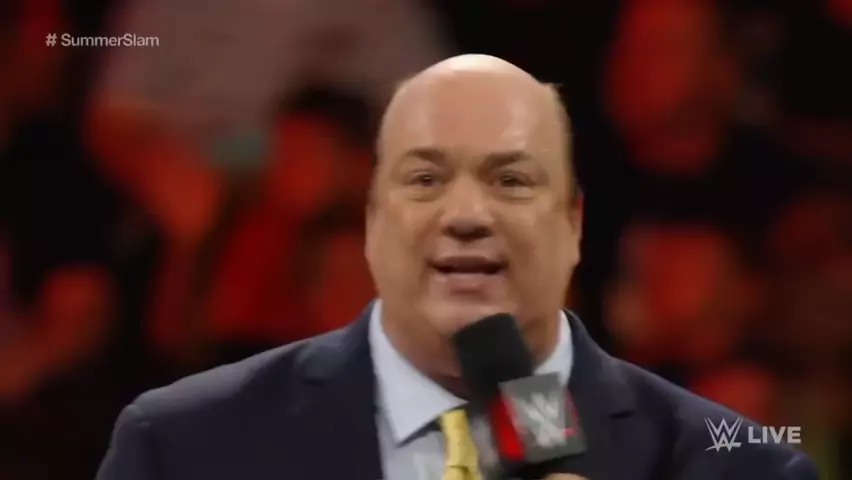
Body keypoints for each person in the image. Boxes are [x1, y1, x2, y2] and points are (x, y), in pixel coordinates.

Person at [96, 55, 817, 480]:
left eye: (511, 181)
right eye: (426, 180)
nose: (468, 216)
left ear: (572, 225)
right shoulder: (182, 444)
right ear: (373, 221)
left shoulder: (729, 460)